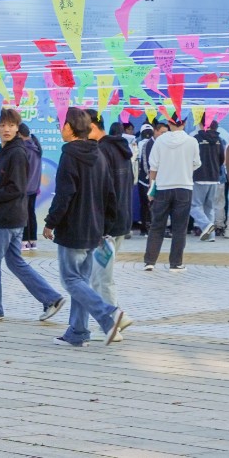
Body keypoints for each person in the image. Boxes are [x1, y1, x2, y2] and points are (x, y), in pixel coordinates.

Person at [44, 108, 131, 347]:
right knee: (81, 281)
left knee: (71, 280)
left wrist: (51, 223)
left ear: (70, 128)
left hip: (73, 229)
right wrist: (105, 226)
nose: (59, 128)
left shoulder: (69, 155)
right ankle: (78, 332)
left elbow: (64, 195)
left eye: (61, 124)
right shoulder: (99, 154)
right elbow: (110, 195)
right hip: (94, 230)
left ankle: (109, 315)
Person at [0, 108, 64, 323]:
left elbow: (17, 188)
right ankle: (52, 299)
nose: (6, 129)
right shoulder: (5, 150)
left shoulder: (17, 152)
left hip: (8, 216)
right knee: (15, 262)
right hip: (13, 215)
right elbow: (5, 181)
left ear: (17, 127)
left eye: (11, 125)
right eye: (2, 125)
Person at [142, 117, 200, 271]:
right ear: (184, 123)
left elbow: (153, 167)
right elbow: (196, 163)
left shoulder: (160, 141)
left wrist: (151, 188)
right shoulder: (192, 141)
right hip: (184, 187)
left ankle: (150, 261)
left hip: (162, 187)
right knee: (180, 228)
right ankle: (176, 263)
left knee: (157, 225)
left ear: (169, 123)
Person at [89, 110, 134, 305]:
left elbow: (102, 191)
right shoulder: (120, 149)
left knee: (102, 279)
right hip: (120, 219)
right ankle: (108, 321)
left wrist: (101, 225)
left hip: (106, 225)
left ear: (91, 126)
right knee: (98, 278)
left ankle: (112, 322)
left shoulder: (101, 151)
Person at [192, 119, 225, 240]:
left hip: (199, 176)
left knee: (193, 206)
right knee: (209, 207)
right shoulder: (219, 140)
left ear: (201, 125)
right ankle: (211, 236)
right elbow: (222, 158)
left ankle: (207, 225)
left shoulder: (196, 138)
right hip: (214, 177)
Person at [18, 123, 43, 250]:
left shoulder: (24, 149)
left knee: (24, 213)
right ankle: (32, 241)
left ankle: (23, 242)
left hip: (25, 187)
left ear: (19, 134)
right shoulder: (35, 147)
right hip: (34, 187)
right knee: (31, 213)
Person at [133, 125, 155, 236]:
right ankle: (151, 226)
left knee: (144, 204)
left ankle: (144, 228)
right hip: (153, 178)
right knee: (152, 203)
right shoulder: (154, 144)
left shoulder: (139, 143)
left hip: (142, 178)